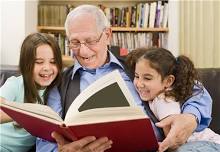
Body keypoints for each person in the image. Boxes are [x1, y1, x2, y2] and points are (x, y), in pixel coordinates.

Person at [36, 5, 213, 152]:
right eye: (74, 42)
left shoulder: (138, 64)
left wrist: (191, 117)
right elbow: (44, 142)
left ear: (107, 35)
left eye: (90, 41)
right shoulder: (59, 84)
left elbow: (194, 88)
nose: (82, 51)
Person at [127, 47, 220, 151]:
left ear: (168, 81)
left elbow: (173, 139)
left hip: (206, 144)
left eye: (147, 78)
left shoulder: (163, 100)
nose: (139, 84)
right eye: (136, 76)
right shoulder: (161, 93)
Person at [0, 33, 63, 152]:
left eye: (53, 62)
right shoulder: (15, 84)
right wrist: (27, 113)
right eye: (39, 62)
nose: (47, 68)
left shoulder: (58, 90)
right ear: (26, 64)